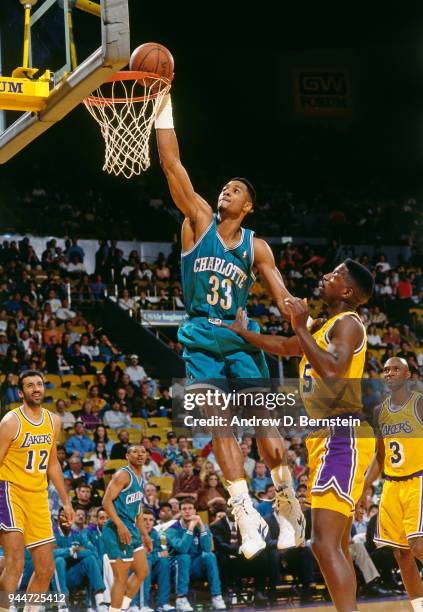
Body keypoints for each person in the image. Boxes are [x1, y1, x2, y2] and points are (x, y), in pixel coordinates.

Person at [154, 94, 304, 558]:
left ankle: (286, 504)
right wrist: (163, 103)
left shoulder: (257, 248)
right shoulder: (198, 221)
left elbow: (280, 293)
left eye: (236, 190)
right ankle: (243, 511)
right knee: (219, 426)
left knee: (269, 440)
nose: (226, 191)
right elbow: (172, 162)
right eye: (225, 187)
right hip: (200, 338)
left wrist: (297, 314)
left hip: (241, 343)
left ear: (249, 205)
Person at [224, 259, 375, 612]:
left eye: (335, 275)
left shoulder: (350, 324)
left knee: (323, 544)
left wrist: (299, 326)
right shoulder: (326, 327)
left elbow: (334, 371)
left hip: (344, 435)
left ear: (348, 291)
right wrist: (243, 334)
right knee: (333, 543)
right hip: (327, 438)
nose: (325, 277)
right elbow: (285, 345)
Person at [0, 370, 74, 610]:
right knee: (15, 563)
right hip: (9, 492)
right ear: (21, 393)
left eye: (39, 384)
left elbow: (53, 463)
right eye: (30, 385)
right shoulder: (11, 421)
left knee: (45, 568)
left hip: (39, 496)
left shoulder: (54, 421)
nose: (36, 389)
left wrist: (66, 501)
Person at [362, 357, 423, 611]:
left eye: (396, 368)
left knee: (418, 546)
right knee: (401, 554)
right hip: (390, 485)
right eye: (386, 369)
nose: (389, 373)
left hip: (418, 480)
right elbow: (380, 455)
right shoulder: (379, 411)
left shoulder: (419, 402)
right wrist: (364, 487)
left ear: (409, 375)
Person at [102, 445, 152, 612]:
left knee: (142, 571)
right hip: (117, 529)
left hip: (131, 528)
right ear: (127, 456)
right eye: (135, 452)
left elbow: (138, 510)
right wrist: (120, 525)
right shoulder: (123, 475)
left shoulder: (141, 477)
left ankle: (121, 608)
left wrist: (145, 535)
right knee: (120, 578)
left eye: (143, 452)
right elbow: (106, 502)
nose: (140, 454)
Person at [166, 497, 226, 612]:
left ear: (195, 512)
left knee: (210, 556)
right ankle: (181, 599)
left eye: (190, 509)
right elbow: (182, 549)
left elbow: (207, 548)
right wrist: (190, 528)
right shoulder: (172, 529)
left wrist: (202, 527)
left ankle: (216, 596)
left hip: (195, 564)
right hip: (177, 565)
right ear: (180, 511)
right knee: (184, 557)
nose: (187, 511)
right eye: (184, 509)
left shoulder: (201, 526)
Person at [140, 509, 175, 612]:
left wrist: (151, 554)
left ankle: (163, 603)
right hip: (135, 569)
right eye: (144, 519)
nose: (148, 522)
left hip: (153, 566)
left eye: (151, 520)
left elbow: (165, 552)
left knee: (164, 562)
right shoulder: (134, 532)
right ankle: (143, 604)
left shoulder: (161, 533)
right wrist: (155, 554)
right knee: (145, 560)